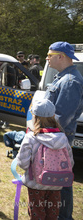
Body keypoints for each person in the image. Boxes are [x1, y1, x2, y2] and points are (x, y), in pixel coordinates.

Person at [43, 41, 83, 219]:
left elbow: (61, 117)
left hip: (59, 137)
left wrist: (42, 133)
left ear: (61, 56)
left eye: (49, 55)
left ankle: (63, 216)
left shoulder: (71, 81)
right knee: (58, 177)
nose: (47, 58)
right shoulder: (63, 77)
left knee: (62, 179)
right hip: (56, 137)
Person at [16, 99, 74, 220]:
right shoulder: (63, 138)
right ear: (53, 116)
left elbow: (22, 163)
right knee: (52, 214)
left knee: (37, 213)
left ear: (35, 117)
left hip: (36, 184)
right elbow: (70, 162)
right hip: (57, 184)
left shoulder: (31, 138)